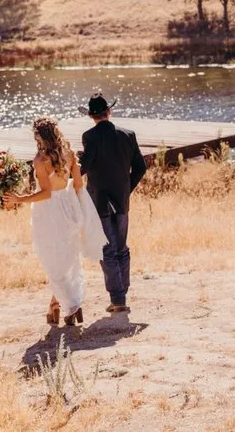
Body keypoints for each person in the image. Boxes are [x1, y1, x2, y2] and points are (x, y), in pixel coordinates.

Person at [4, 117, 107, 326]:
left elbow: (46, 193)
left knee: (52, 260)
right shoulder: (68, 153)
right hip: (68, 208)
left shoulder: (41, 160)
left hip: (48, 212)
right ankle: (60, 306)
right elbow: (78, 184)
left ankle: (70, 304)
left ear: (39, 136)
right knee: (68, 258)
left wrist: (19, 199)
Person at [79, 94, 147, 313]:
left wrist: (78, 160)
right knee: (121, 248)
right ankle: (121, 295)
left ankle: (118, 299)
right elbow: (140, 168)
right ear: (109, 112)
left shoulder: (89, 137)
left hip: (99, 201)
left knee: (107, 249)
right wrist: (127, 188)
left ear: (91, 116)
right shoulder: (128, 135)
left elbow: (84, 168)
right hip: (121, 198)